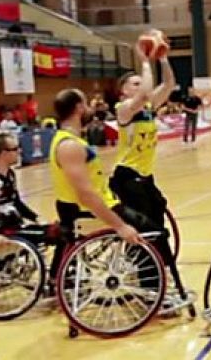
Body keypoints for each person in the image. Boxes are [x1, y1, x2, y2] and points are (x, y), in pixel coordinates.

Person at [50, 88, 182, 304]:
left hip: (100, 202)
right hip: (87, 210)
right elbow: (86, 195)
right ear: (78, 108)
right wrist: (120, 226)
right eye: (87, 103)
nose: (92, 108)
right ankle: (151, 292)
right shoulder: (70, 146)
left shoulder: (71, 140)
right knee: (153, 233)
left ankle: (153, 283)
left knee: (150, 225)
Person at [110, 41, 175, 228]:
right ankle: (141, 256)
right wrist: (145, 62)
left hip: (145, 174)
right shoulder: (123, 109)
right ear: (124, 90)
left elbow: (169, 84)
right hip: (127, 175)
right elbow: (146, 93)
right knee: (145, 225)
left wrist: (162, 58)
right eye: (135, 84)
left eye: (141, 83)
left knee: (158, 210)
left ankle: (158, 256)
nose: (141, 86)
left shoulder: (148, 107)